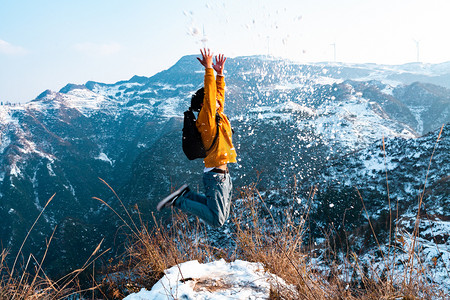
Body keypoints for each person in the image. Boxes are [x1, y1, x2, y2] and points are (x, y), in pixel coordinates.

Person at [157, 48, 237, 228]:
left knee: (219, 215)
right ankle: (180, 200)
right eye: (212, 99)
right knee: (217, 220)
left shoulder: (217, 116)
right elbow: (211, 94)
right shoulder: (206, 120)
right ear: (204, 104)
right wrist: (208, 69)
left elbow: (218, 96)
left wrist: (220, 75)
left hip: (222, 175)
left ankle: (187, 196)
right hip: (216, 176)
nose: (217, 99)